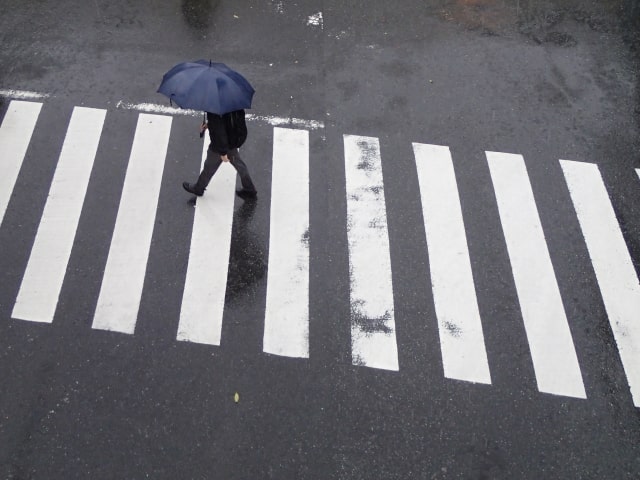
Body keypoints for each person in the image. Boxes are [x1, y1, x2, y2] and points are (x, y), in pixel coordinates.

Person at [183, 109, 257, 199]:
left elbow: (219, 131)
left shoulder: (214, 109)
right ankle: (249, 188)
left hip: (221, 145)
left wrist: (223, 152)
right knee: (239, 164)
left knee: (209, 166)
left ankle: (199, 188)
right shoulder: (229, 102)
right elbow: (225, 121)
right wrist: (210, 124)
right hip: (231, 139)